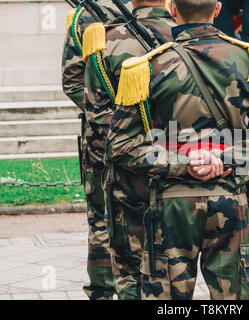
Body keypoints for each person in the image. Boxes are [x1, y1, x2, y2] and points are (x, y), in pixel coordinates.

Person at [106, 0, 249, 300]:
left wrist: (184, 162)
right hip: (229, 197)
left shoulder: (146, 67)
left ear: (172, 8)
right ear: (217, 9)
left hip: (172, 202)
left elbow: (121, 144)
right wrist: (224, 159)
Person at [82, 0, 176, 299]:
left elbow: (96, 112)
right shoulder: (187, 38)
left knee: (130, 263)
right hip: (178, 162)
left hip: (127, 166)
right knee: (174, 257)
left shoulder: (105, 42)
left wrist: (134, 137)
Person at [61, 0, 134, 300]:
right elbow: (73, 80)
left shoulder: (145, 9)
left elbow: (71, 81)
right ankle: (103, 290)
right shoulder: (85, 16)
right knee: (103, 219)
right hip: (104, 138)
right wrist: (117, 116)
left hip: (128, 135)